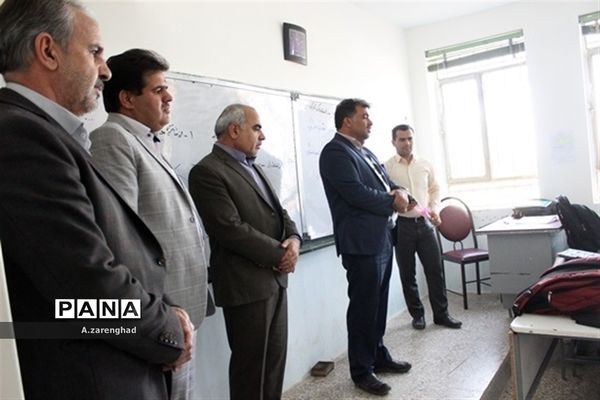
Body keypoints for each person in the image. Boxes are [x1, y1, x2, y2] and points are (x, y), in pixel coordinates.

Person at [0, 1, 193, 399]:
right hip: (95, 376)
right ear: (48, 51)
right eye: (95, 52)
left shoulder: (49, 134)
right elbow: (85, 290)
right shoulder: (21, 136)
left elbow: (115, 249)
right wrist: (166, 331)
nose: (105, 70)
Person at [89, 48, 213, 400]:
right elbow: (121, 238)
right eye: (158, 90)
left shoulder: (147, 140)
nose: (169, 97)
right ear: (127, 99)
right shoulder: (112, 139)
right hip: (160, 311)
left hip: (179, 309)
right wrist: (158, 315)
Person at [188, 104, 301, 400]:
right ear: (234, 130)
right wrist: (280, 255)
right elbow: (229, 229)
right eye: (257, 128)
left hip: (275, 281)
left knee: (273, 365)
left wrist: (294, 240)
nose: (262, 136)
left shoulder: (254, 166)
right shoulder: (207, 171)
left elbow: (279, 212)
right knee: (250, 371)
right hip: (245, 286)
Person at [319, 98, 413, 396]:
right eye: (365, 117)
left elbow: (387, 183)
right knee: (363, 307)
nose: (370, 122)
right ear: (347, 121)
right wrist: (392, 201)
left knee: (378, 303)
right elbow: (356, 194)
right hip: (360, 243)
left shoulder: (364, 151)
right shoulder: (335, 152)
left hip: (382, 237)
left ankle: (378, 355)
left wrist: (400, 191)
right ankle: (361, 370)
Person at [383, 124, 462, 330]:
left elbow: (434, 189)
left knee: (435, 270)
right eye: (402, 139)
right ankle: (417, 315)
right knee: (407, 274)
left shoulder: (425, 164)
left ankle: (442, 315)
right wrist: (397, 203)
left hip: (425, 224)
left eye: (410, 138)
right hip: (402, 226)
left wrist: (434, 209)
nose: (407, 143)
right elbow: (384, 195)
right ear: (393, 142)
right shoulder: (387, 168)